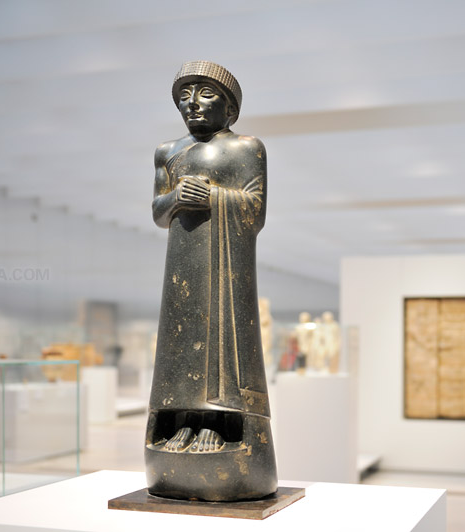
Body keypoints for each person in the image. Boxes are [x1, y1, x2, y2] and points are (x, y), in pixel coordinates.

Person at [145, 61, 276, 501]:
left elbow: (254, 210)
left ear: (229, 105)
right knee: (179, 348)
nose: (192, 103)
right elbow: (158, 213)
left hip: (225, 269)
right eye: (184, 95)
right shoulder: (168, 151)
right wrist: (175, 197)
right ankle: (180, 425)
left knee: (224, 341)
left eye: (204, 93)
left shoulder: (246, 148)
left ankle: (219, 425)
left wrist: (215, 196)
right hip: (182, 267)